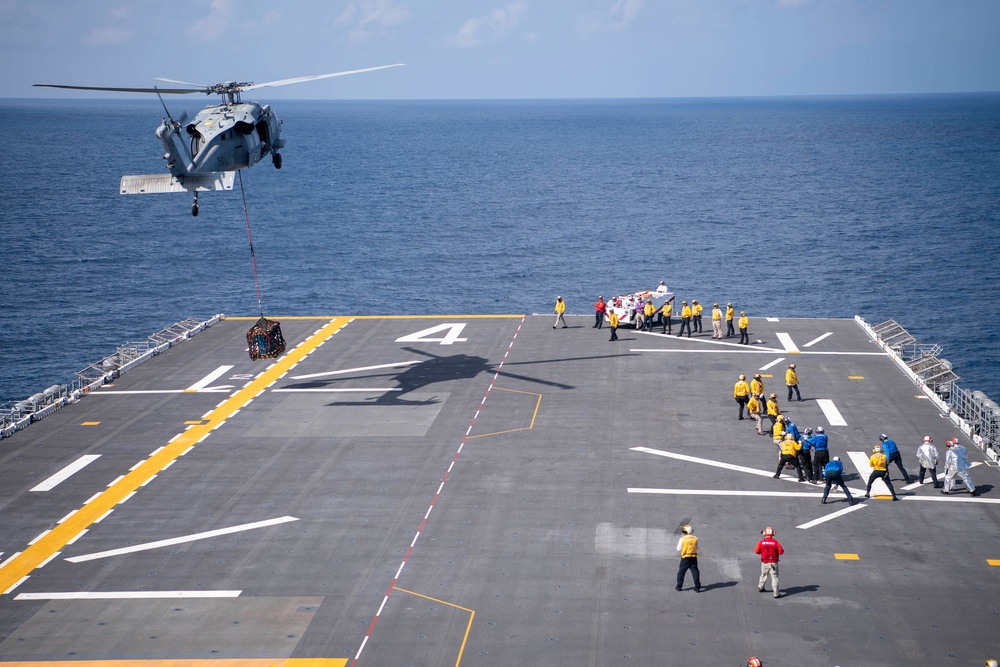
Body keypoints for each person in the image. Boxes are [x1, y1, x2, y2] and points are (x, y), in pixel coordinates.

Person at [755, 526, 784, 598]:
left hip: (764, 562)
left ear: (764, 533)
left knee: (763, 575)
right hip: (774, 563)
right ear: (773, 534)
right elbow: (781, 552)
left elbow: (757, 551)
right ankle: (776, 593)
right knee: (774, 577)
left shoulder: (761, 542)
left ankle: (760, 587)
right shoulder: (776, 543)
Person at [675, 524, 701, 592]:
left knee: (681, 572)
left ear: (685, 532)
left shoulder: (682, 539)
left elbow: (678, 549)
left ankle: (679, 586)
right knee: (695, 572)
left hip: (685, 559)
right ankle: (697, 587)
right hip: (693, 558)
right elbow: (698, 547)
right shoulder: (695, 538)